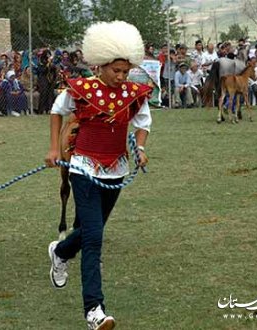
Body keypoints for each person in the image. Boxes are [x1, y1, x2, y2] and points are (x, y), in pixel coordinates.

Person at [44, 20, 151, 330]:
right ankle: (94, 310)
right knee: (94, 238)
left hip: (116, 170)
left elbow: (143, 122)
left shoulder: (134, 92)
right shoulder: (82, 89)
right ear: (101, 65)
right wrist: (54, 149)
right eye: (115, 71)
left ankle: (61, 252)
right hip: (82, 169)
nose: (121, 76)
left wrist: (140, 148)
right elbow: (56, 110)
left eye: (125, 71)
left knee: (93, 230)